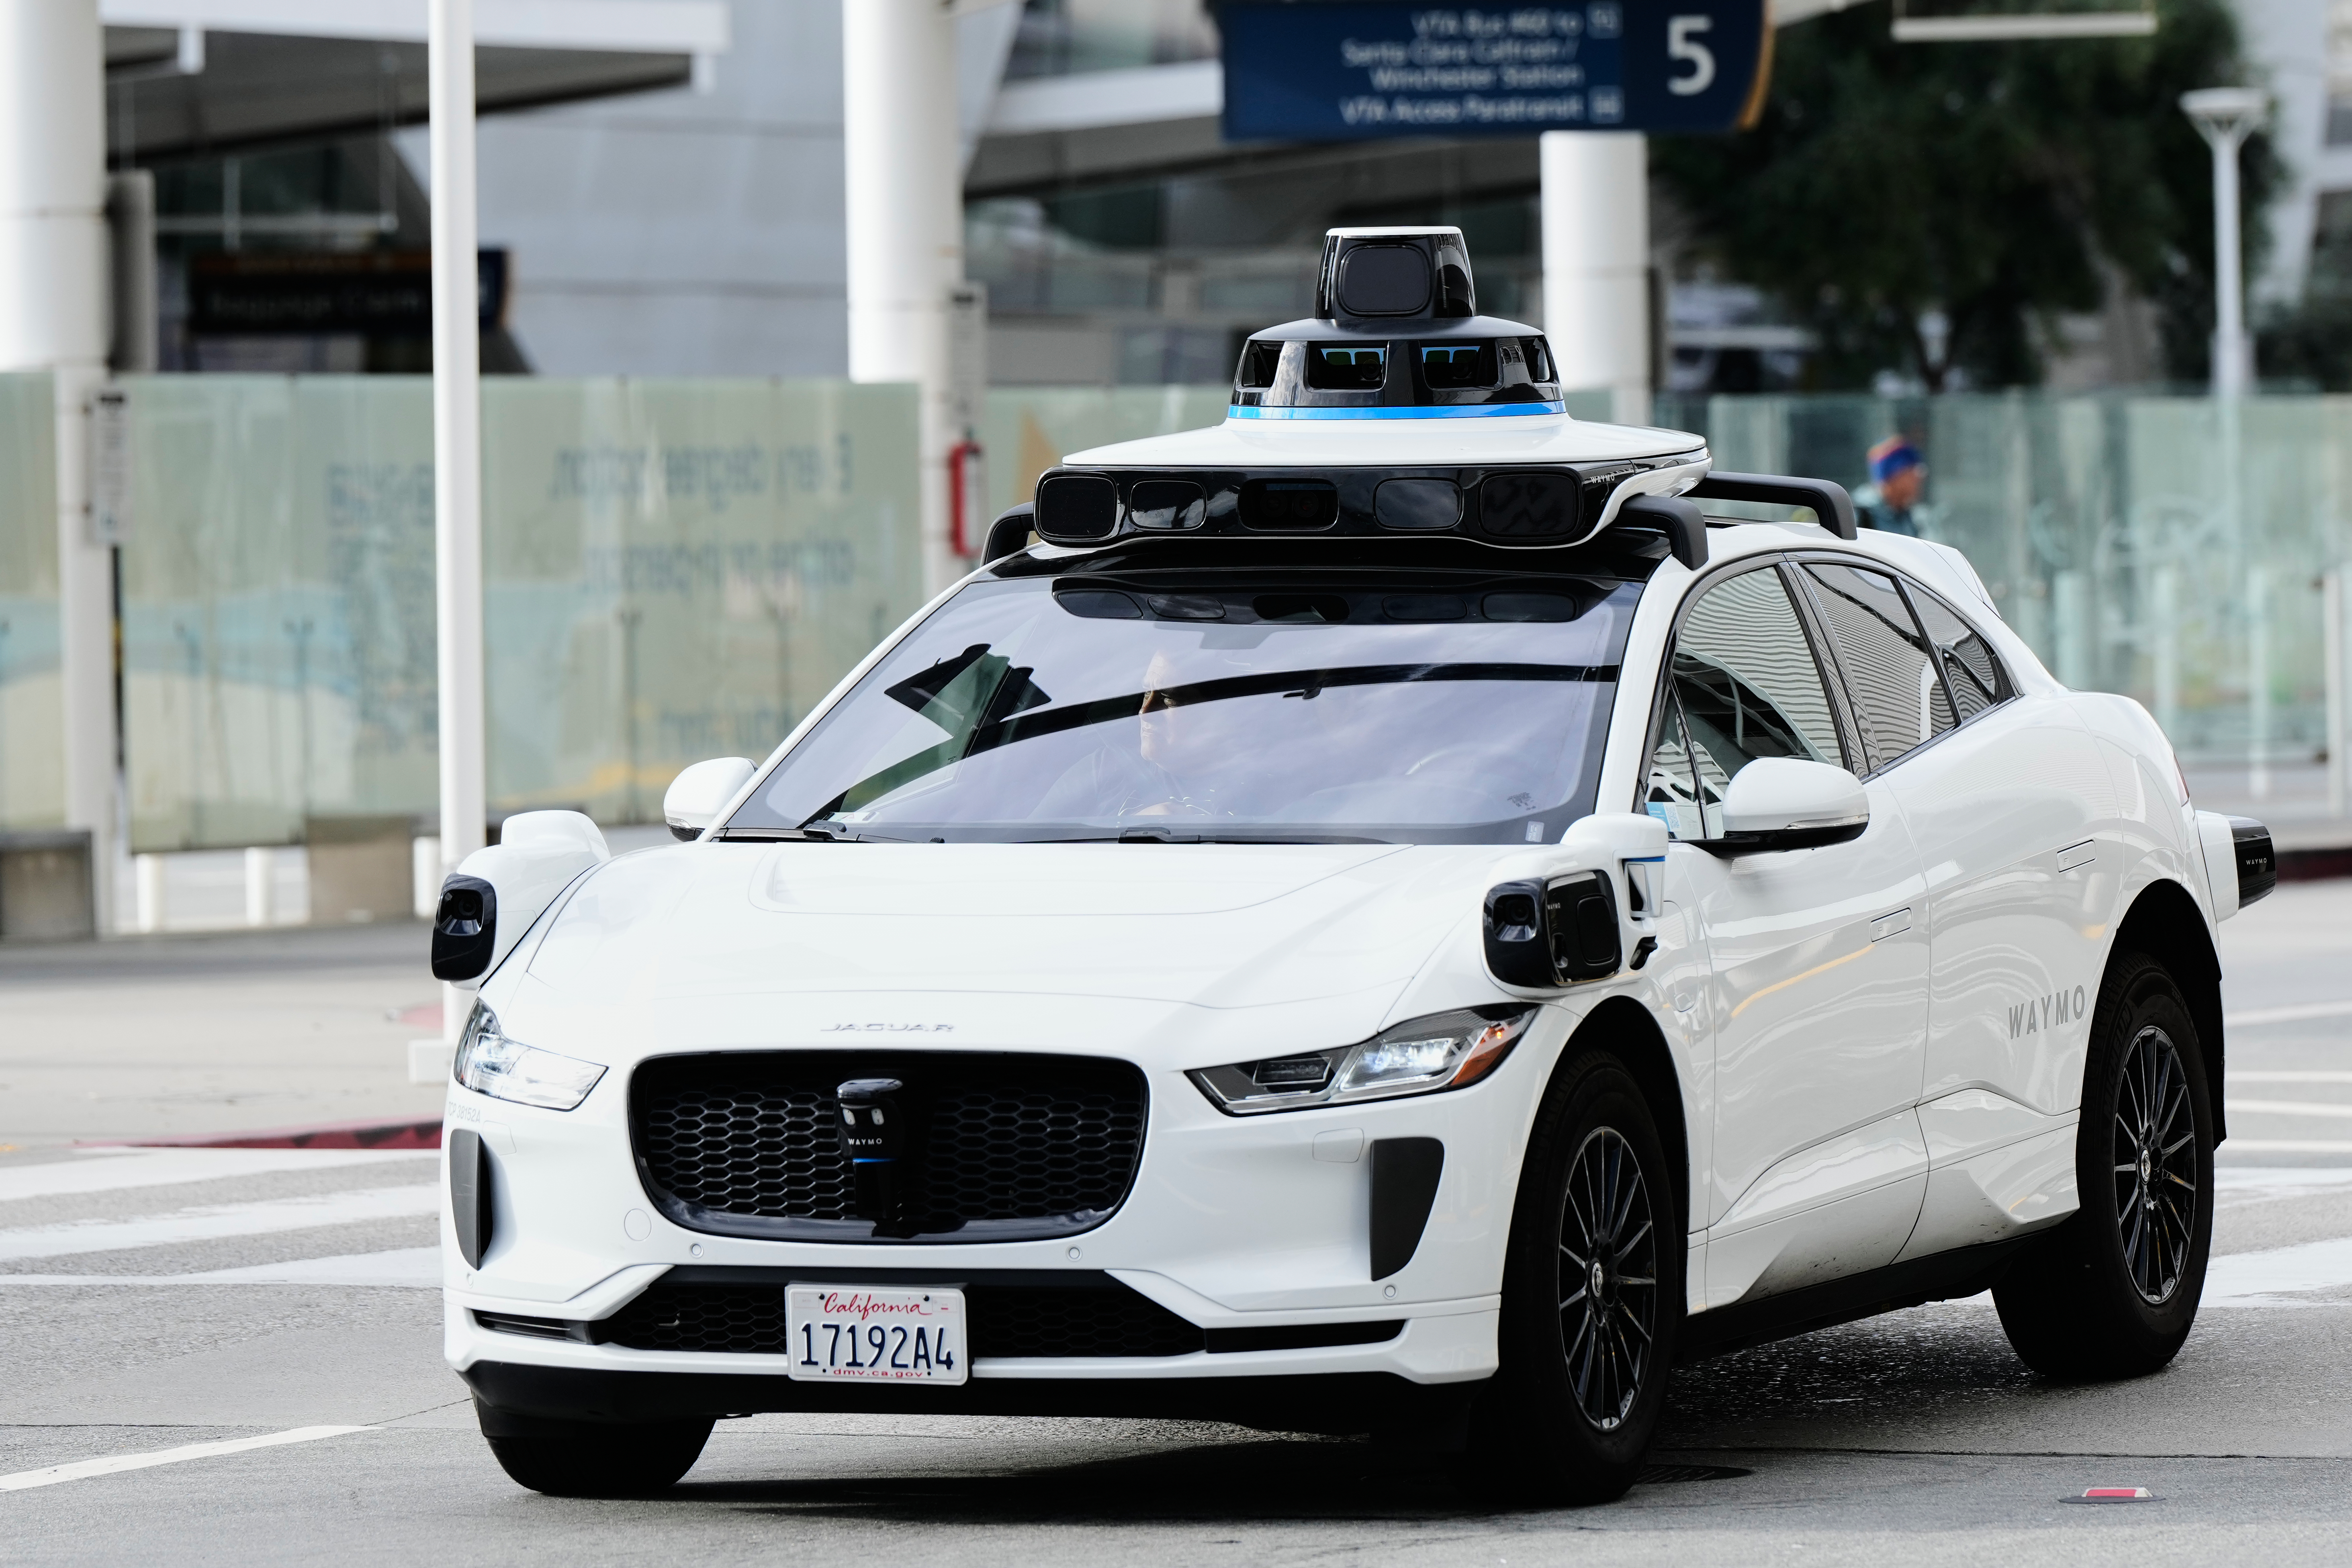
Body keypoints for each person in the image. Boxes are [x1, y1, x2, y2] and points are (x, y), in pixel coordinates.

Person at [1858, 436, 1927, 536]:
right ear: (1895, 475)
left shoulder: (1910, 517)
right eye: (1913, 472)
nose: (1919, 479)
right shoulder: (1860, 515)